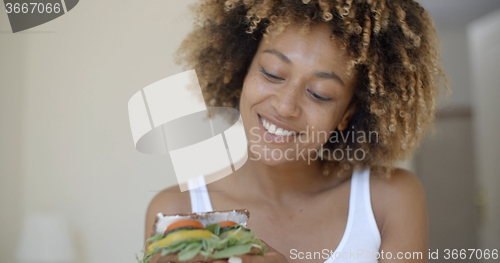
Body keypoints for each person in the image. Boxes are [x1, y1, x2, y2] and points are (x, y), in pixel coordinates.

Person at [144, 0, 448, 262]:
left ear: (347, 114)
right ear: (243, 70)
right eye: (272, 73)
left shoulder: (389, 200)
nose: (286, 106)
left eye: (319, 93)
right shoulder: (177, 210)